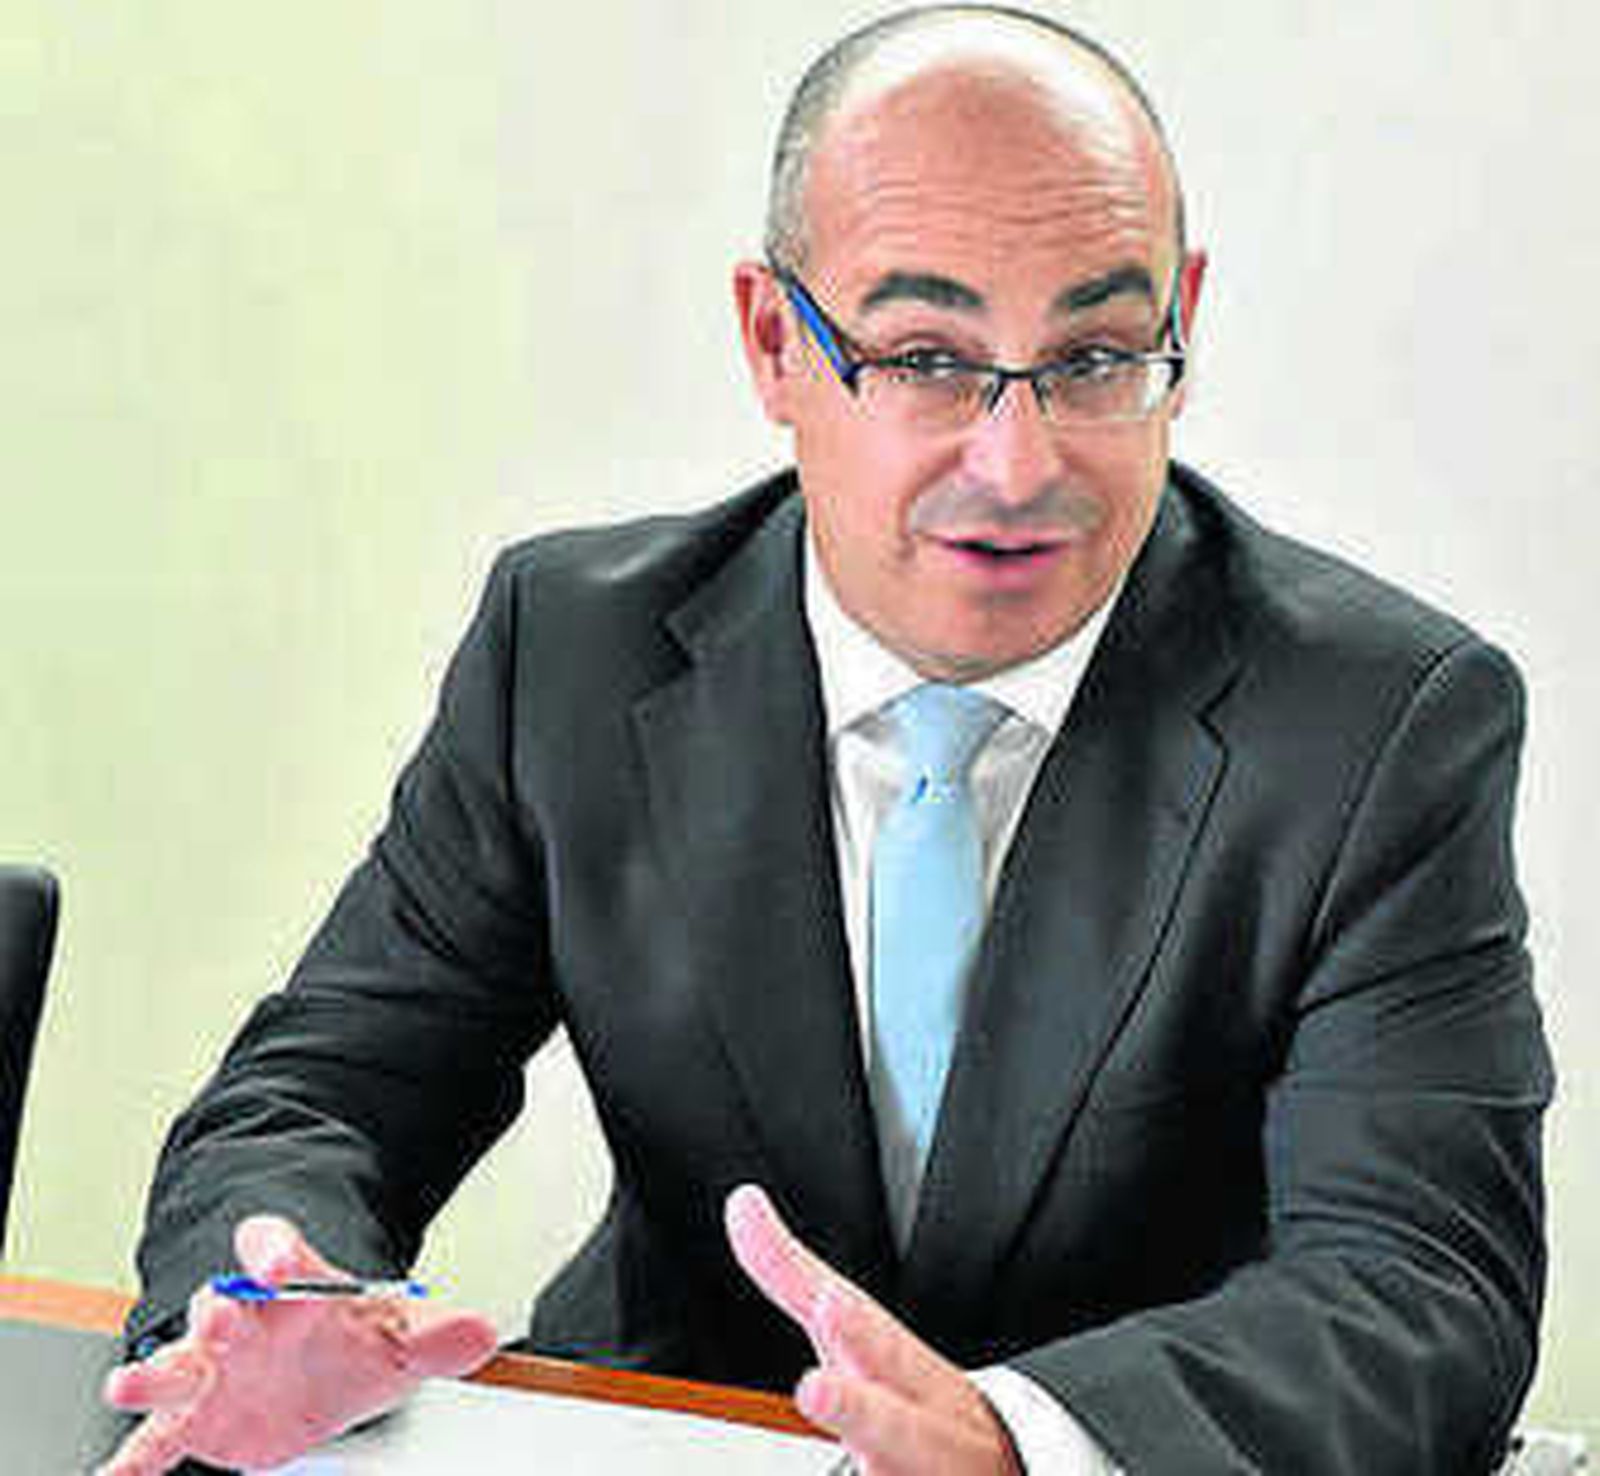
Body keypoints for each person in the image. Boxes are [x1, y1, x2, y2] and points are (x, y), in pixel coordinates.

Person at [100, 6, 1553, 1473]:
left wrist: (1021, 1435)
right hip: (674, 1435)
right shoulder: (575, 647)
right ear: (772, 342)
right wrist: (272, 1293)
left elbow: (1420, 1285)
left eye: (1099, 355)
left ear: (1183, 320)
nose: (1019, 460)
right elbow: (327, 1088)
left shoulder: (1380, 721)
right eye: (927, 356)